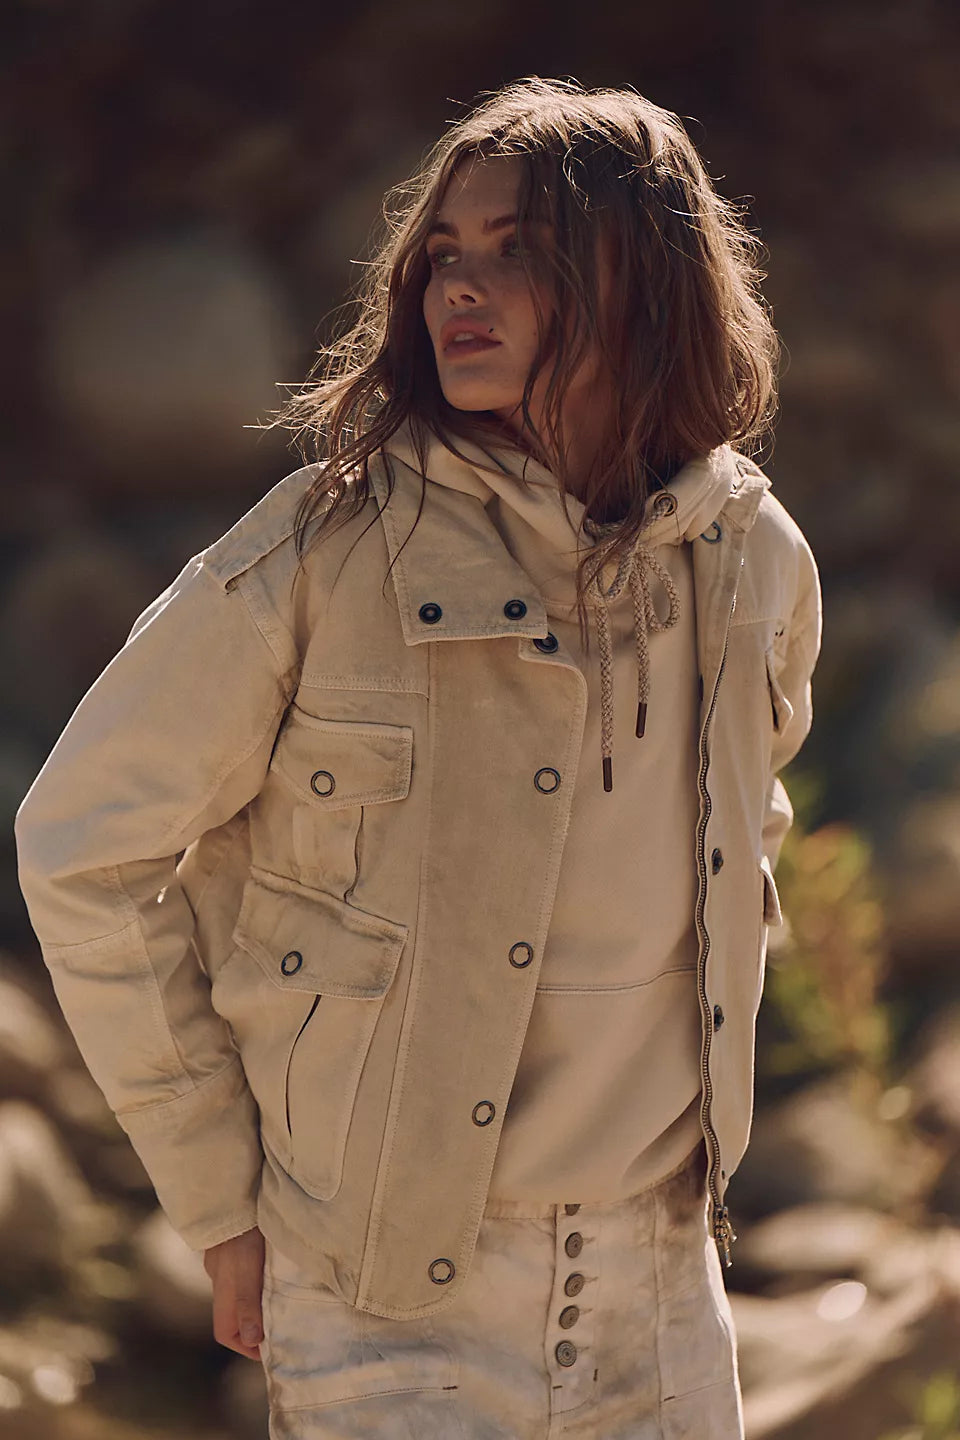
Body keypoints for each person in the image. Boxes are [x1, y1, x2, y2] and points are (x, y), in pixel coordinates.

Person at [14, 75, 822, 1438]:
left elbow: (755, 812)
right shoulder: (326, 551)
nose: (461, 284)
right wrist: (217, 1195)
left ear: (644, 276)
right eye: (446, 252)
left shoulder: (751, 558)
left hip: (662, 1285)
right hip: (388, 1294)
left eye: (518, 251)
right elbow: (82, 844)